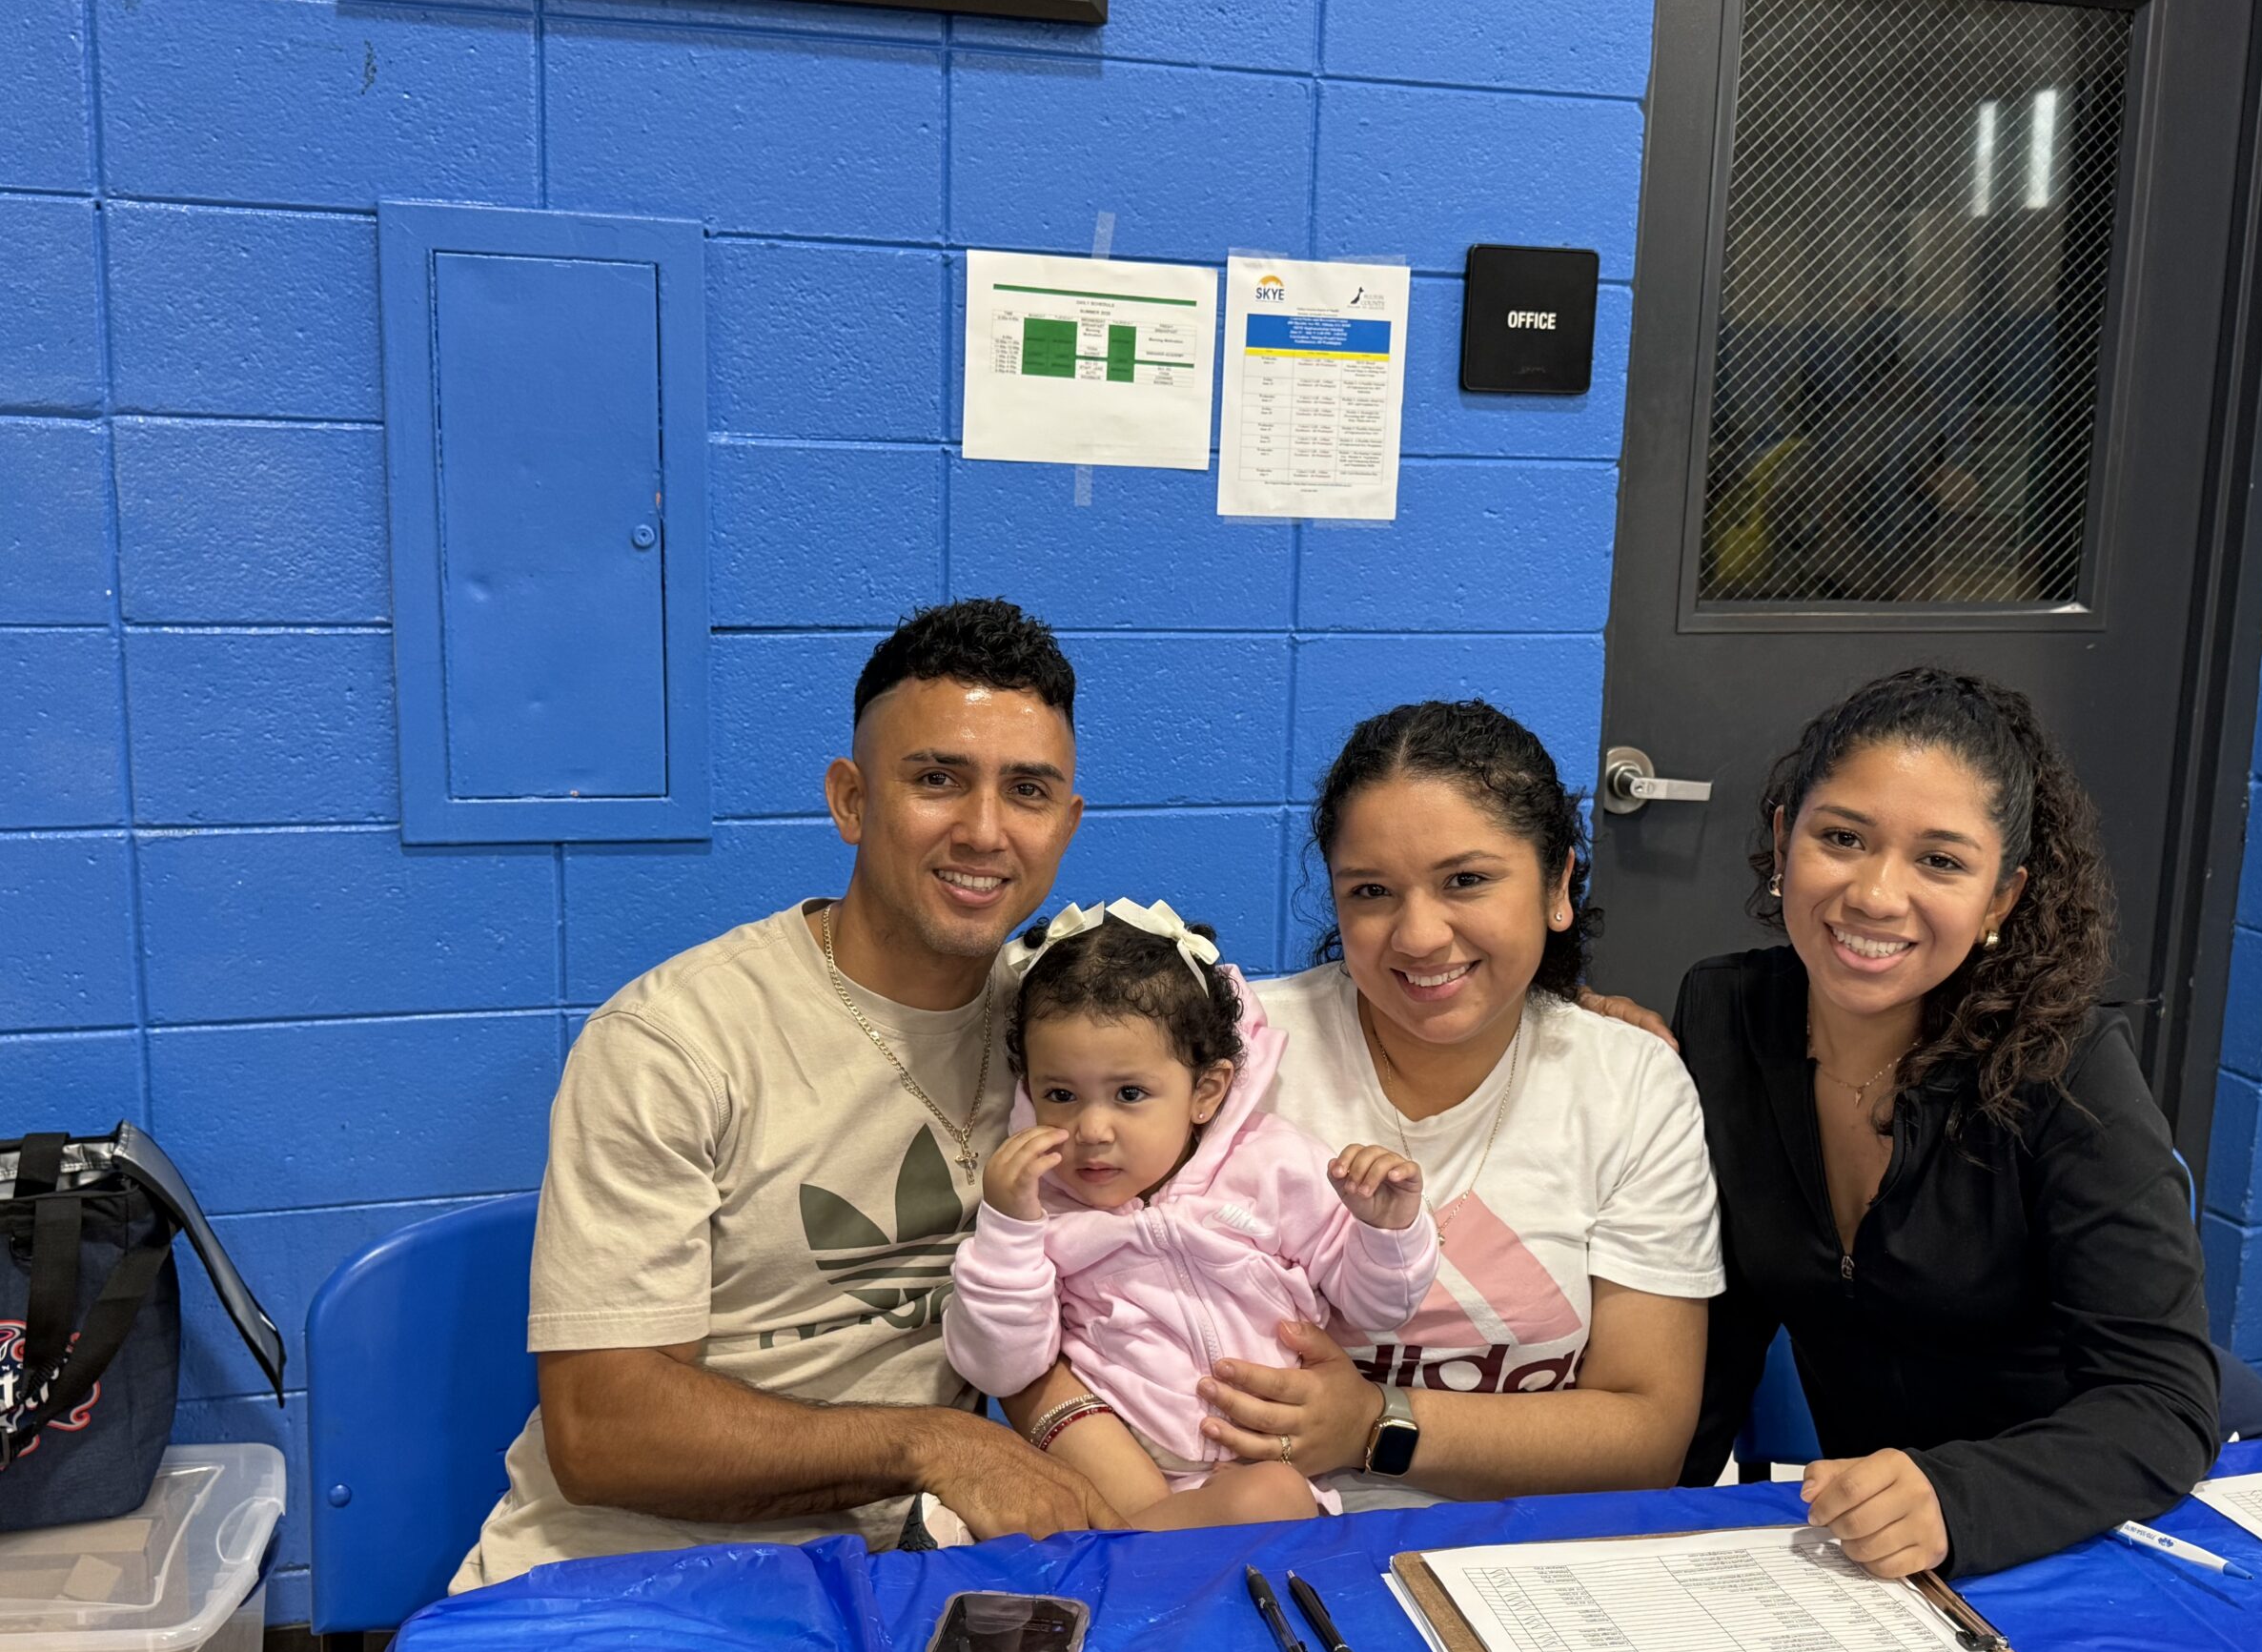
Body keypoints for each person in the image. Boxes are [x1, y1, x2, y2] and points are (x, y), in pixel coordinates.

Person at [453, 599, 1122, 1591]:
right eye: (937, 779)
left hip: (897, 1578)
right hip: (616, 1576)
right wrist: (935, 1445)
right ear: (851, 801)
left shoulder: (1064, 1032)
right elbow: (600, 1432)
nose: (984, 831)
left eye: (1026, 791)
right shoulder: (676, 1040)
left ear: (1064, 825)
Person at [1012, 701, 1725, 1508]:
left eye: (1467, 880)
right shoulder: (1229, 1054)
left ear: (1558, 882)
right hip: (1236, 1533)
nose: (1419, 935)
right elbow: (1050, 1277)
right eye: (1373, 891)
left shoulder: (1626, 1082)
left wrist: (1378, 1425)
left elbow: (1647, 1438)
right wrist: (1144, 1521)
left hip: (1518, 1559)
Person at [1672, 666, 2220, 1581]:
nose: (1877, 896)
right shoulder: (1723, 1016)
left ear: (2001, 897)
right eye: (1842, 837)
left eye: (1940, 860)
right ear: (1783, 840)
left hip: (2069, 1532)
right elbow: (1712, 1341)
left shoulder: (2067, 1067)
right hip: (1867, 1562)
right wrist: (1621, 1526)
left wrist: (1955, 1499)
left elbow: (2164, 1402)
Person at [945, 900, 1437, 1530]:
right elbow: (999, 1367)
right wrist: (1009, 1230)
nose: (1091, 1129)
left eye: (1130, 1094)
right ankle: (1128, 1547)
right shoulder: (1037, 1206)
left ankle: (1122, 1556)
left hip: (1254, 1466)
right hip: (1111, 1455)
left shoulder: (1274, 1166)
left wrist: (1386, 1228)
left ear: (1205, 1091)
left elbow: (1378, 1308)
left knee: (1276, 1497)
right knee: (1072, 1444)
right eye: (1060, 1095)